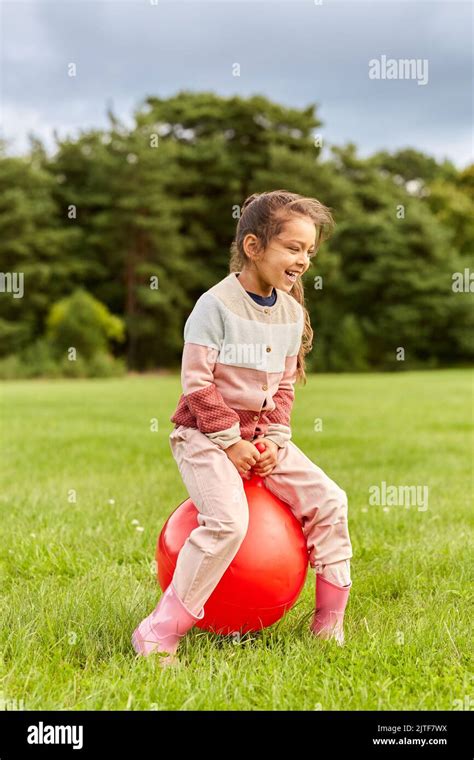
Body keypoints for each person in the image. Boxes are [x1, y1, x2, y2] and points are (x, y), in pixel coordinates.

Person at [132, 189, 353, 665]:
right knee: (230, 522)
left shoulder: (291, 313)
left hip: (259, 441)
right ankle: (158, 631)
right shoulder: (215, 306)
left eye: (309, 251)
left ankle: (328, 622)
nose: (303, 260)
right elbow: (197, 386)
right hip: (203, 437)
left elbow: (284, 391)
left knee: (331, 500)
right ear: (253, 247)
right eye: (292, 248)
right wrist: (230, 442)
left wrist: (272, 440)